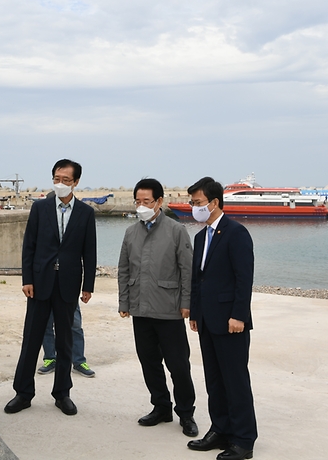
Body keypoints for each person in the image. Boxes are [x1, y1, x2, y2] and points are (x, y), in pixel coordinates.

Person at [5, 159, 96, 417]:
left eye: (66, 180)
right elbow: (29, 246)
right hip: (40, 283)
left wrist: (88, 285)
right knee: (31, 340)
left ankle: (62, 393)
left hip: (68, 285)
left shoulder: (86, 213)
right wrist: (27, 279)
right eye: (56, 178)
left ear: (76, 182)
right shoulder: (40, 208)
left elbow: (89, 251)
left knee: (66, 341)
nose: (60, 184)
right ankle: (23, 393)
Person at [119, 177, 197, 437]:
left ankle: (186, 413)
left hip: (169, 309)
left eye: (147, 201)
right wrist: (124, 302)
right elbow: (123, 269)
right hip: (140, 309)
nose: (141, 206)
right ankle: (161, 407)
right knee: (149, 362)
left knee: (178, 365)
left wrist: (187, 304)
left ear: (159, 202)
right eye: (138, 201)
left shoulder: (176, 230)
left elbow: (188, 271)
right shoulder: (131, 232)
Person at [185, 177, 257, 459]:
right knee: (214, 380)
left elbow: (244, 278)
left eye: (198, 202)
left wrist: (239, 315)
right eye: (192, 203)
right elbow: (197, 280)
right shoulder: (201, 236)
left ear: (214, 203)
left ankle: (243, 440)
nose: (194, 207)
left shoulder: (236, 233)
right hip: (206, 321)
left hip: (231, 322)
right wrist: (194, 312)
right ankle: (220, 430)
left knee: (235, 380)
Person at [37, 304, 95, 377]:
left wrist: (86, 291)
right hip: (46, 294)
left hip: (68, 294)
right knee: (46, 325)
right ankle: (50, 359)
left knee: (75, 326)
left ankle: (79, 361)